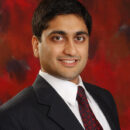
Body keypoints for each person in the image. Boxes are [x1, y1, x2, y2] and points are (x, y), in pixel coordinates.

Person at [0, 0, 120, 129]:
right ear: (36, 46)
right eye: (58, 38)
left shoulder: (104, 98)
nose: (71, 50)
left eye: (79, 38)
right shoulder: (12, 116)